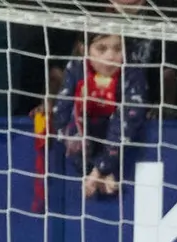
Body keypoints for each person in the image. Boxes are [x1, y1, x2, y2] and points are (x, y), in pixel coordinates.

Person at [51, 32, 148, 198]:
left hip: (121, 156)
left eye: (118, 49)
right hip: (87, 162)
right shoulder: (75, 69)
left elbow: (126, 122)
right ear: (84, 49)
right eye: (101, 49)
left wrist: (101, 168)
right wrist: (89, 170)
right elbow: (62, 117)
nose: (110, 56)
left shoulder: (132, 72)